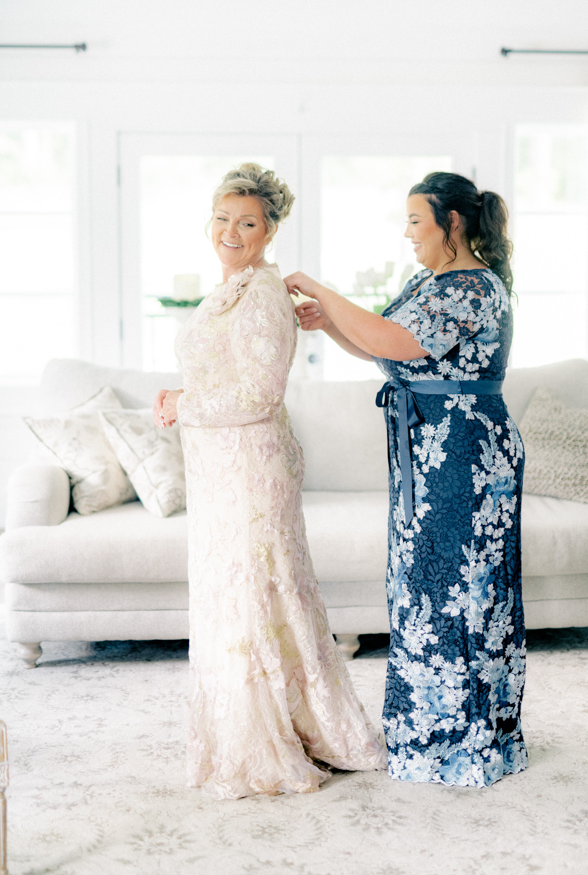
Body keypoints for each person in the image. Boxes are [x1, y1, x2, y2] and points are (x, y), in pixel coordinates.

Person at [285, 171, 527, 788]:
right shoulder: (427, 281)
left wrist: (322, 289)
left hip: (467, 451)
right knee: (418, 586)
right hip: (426, 448)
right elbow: (380, 348)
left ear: (453, 224)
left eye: (417, 220)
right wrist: (329, 322)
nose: (407, 232)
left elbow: (398, 339)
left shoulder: (475, 288)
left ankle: (465, 738)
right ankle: (423, 729)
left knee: (457, 589)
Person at [153, 163, 386, 799]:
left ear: (270, 229)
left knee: (258, 592)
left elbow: (259, 393)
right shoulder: (227, 289)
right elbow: (222, 377)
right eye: (223, 218)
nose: (231, 230)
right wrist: (183, 394)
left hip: (250, 470)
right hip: (218, 470)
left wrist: (182, 406)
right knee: (237, 595)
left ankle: (275, 738)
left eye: (247, 222)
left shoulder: (262, 294)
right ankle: (252, 725)